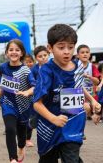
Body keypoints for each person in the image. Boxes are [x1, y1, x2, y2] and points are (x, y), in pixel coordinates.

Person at [33, 24, 101, 163]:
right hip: (49, 125)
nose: (66, 52)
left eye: (70, 47)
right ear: (50, 48)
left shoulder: (78, 67)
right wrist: (54, 119)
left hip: (73, 122)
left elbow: (78, 86)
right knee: (47, 159)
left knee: (71, 156)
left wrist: (92, 101)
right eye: (61, 47)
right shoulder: (46, 71)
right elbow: (37, 104)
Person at [0, 39, 35, 163]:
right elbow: (3, 85)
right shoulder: (3, 67)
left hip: (23, 106)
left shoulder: (26, 70)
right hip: (8, 103)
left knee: (22, 134)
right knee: (10, 129)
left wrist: (27, 92)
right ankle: (13, 158)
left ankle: (21, 147)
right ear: (6, 53)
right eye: (11, 50)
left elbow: (34, 86)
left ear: (22, 53)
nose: (14, 52)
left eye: (17, 50)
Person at [27, 45, 50, 147]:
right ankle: (27, 138)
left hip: (49, 99)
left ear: (48, 55)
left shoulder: (53, 67)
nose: (43, 57)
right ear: (36, 58)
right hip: (36, 99)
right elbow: (31, 81)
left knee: (48, 120)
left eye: (45, 55)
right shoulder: (34, 69)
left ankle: (50, 142)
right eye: (40, 56)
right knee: (33, 120)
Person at [76, 44, 100, 118]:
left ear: (89, 54)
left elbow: (97, 82)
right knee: (84, 111)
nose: (85, 54)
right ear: (77, 55)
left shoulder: (92, 66)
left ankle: (92, 115)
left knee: (97, 110)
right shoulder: (74, 66)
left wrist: (90, 77)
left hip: (91, 94)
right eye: (82, 52)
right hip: (78, 94)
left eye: (87, 52)